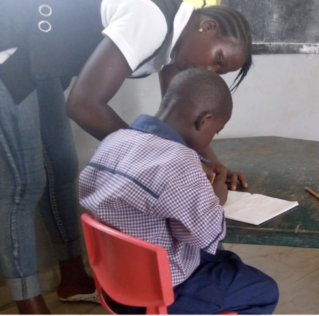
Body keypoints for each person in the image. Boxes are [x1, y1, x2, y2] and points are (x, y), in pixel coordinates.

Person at [0, 0, 252, 313]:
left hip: (43, 60)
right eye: (217, 59)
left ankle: (73, 279)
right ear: (208, 26)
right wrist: (148, 158)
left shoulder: (178, 49)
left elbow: (179, 118)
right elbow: (83, 105)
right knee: (24, 185)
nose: (210, 71)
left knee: (62, 170)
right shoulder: (151, 19)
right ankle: (28, 303)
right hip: (9, 53)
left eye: (219, 71)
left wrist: (212, 163)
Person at [79, 68, 279, 314]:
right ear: (203, 121)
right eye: (215, 131)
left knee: (228, 263)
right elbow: (206, 236)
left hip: (115, 283)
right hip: (161, 294)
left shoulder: (114, 141)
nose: (211, 139)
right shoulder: (180, 162)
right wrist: (216, 197)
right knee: (265, 291)